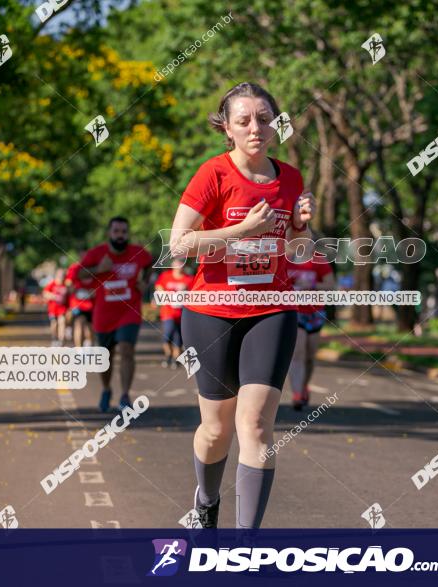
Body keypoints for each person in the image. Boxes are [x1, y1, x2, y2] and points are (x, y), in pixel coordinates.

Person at [169, 82, 315, 529]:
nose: (257, 127)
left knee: (255, 428)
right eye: (245, 120)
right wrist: (241, 230)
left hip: (272, 310)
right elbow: (178, 245)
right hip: (211, 311)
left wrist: (303, 228)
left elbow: (301, 254)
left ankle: (244, 547)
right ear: (227, 128)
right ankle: (207, 499)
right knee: (216, 429)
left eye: (265, 118)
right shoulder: (212, 174)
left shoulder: (290, 178)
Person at [80, 217, 153, 412]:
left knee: (127, 349)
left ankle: (125, 395)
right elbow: (78, 274)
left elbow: (150, 262)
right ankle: (106, 389)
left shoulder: (138, 253)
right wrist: (98, 269)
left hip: (129, 312)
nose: (120, 235)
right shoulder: (97, 254)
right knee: (106, 356)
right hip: (104, 314)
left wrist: (145, 282)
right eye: (116, 231)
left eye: (123, 232)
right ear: (109, 233)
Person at [286, 250, 335, 410]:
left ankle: (304, 385)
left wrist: (312, 285)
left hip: (315, 313)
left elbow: (330, 285)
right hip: (295, 311)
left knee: (310, 356)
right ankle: (297, 394)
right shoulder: (283, 258)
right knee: (298, 353)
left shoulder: (317, 260)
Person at [153, 260, 194, 369]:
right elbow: (158, 287)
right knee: (168, 333)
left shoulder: (189, 279)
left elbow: (194, 294)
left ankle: (175, 359)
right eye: (176, 263)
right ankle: (168, 355)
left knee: (178, 338)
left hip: (182, 313)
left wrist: (186, 290)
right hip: (168, 311)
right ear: (172, 265)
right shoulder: (166, 276)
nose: (179, 266)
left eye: (181, 263)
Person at [65, 258, 95, 347]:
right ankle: (79, 350)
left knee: (89, 329)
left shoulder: (95, 267)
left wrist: (94, 292)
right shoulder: (74, 268)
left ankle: (89, 347)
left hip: (92, 305)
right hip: (78, 304)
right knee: (79, 325)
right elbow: (68, 283)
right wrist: (72, 288)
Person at [43, 269, 69, 346]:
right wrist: (54, 297)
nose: (61, 277)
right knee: (54, 324)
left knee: (62, 322)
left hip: (63, 309)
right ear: (56, 276)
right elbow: (45, 293)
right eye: (60, 276)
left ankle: (61, 341)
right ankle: (54, 338)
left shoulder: (66, 285)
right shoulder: (52, 284)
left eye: (63, 276)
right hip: (53, 309)